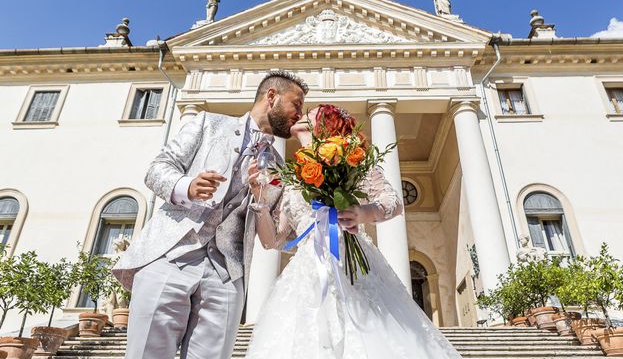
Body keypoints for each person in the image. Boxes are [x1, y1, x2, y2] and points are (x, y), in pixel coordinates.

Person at [112, 71, 308, 359]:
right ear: (271, 97)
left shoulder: (280, 168)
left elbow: (277, 238)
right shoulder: (207, 123)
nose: (300, 114)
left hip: (228, 274)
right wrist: (186, 186)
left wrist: (261, 200)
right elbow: (157, 169)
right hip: (170, 256)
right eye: (297, 104)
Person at [245, 104, 462, 359]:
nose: (302, 115)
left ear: (328, 126)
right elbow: (274, 240)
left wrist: (362, 213)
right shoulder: (293, 178)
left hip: (350, 262)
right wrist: (259, 198)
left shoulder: (350, 163)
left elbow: (393, 201)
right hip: (307, 272)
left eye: (310, 114)